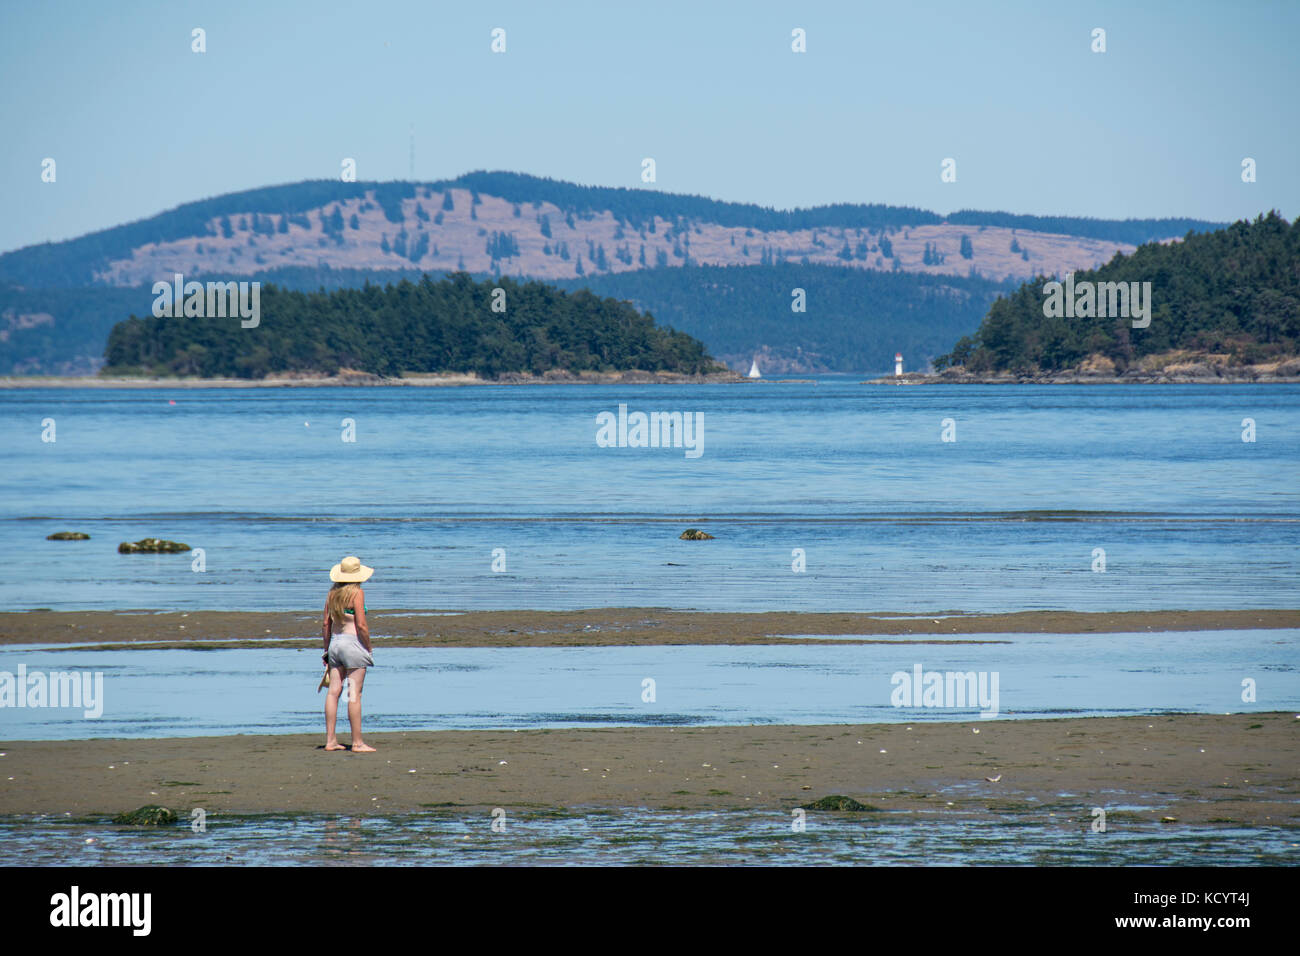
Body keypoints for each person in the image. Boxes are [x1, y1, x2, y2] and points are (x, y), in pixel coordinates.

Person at [322, 555, 376, 752]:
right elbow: (361, 624)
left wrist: (326, 650)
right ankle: (357, 742)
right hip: (353, 645)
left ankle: (330, 741)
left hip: (335, 645)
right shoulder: (357, 593)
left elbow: (326, 623)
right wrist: (368, 647)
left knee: (333, 692)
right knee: (354, 694)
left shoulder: (331, 594)